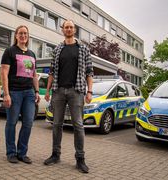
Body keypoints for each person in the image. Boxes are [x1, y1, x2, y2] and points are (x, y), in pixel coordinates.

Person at [43, 20, 93, 173]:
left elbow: (89, 72)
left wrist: (89, 91)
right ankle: (55, 155)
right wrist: (48, 90)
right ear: (62, 30)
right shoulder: (57, 49)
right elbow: (51, 71)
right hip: (58, 91)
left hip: (76, 91)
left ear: (74, 30)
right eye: (66, 27)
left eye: (71, 27)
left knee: (78, 125)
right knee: (56, 124)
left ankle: (80, 159)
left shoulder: (83, 49)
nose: (69, 29)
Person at [1, 25, 40, 164]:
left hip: (29, 93)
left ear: (28, 36)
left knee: (28, 123)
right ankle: (11, 152)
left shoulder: (32, 54)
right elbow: (4, 73)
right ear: (16, 36)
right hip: (14, 92)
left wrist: (36, 91)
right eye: (21, 33)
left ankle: (22, 153)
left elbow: (34, 74)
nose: (23, 35)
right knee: (11, 123)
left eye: (25, 33)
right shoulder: (9, 51)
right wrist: (6, 94)